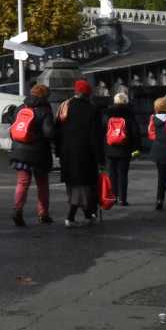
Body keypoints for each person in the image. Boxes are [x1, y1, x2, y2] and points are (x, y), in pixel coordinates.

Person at [55, 80, 104, 227]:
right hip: (85, 153)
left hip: (67, 153)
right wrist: (100, 158)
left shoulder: (65, 106)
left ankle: (87, 215)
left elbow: (57, 131)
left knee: (73, 185)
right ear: (88, 93)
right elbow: (95, 136)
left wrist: (58, 151)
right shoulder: (92, 109)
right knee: (84, 186)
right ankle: (71, 217)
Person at [9, 84, 58, 226]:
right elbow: (49, 132)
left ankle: (17, 210)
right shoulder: (44, 110)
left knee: (22, 182)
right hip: (38, 152)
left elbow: (14, 127)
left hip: (19, 150)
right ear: (44, 96)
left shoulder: (21, 107)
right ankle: (43, 213)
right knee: (42, 184)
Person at [101, 92, 139, 207]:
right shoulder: (129, 114)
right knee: (123, 174)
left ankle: (113, 197)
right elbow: (135, 133)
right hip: (124, 149)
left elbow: (102, 130)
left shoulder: (107, 113)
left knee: (112, 174)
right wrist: (136, 148)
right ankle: (123, 199)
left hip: (109, 148)